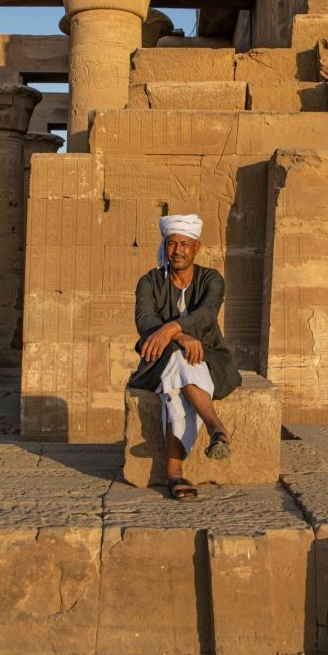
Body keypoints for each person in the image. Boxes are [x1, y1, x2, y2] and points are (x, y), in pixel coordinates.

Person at [131, 214, 242, 500]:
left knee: (176, 389)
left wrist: (170, 327)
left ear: (196, 247)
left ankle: (174, 472)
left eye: (184, 244)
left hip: (211, 359)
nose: (177, 250)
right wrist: (178, 335)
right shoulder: (149, 281)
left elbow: (206, 314)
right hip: (158, 360)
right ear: (165, 246)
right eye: (171, 244)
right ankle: (216, 427)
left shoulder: (211, 279)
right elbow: (145, 320)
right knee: (178, 361)